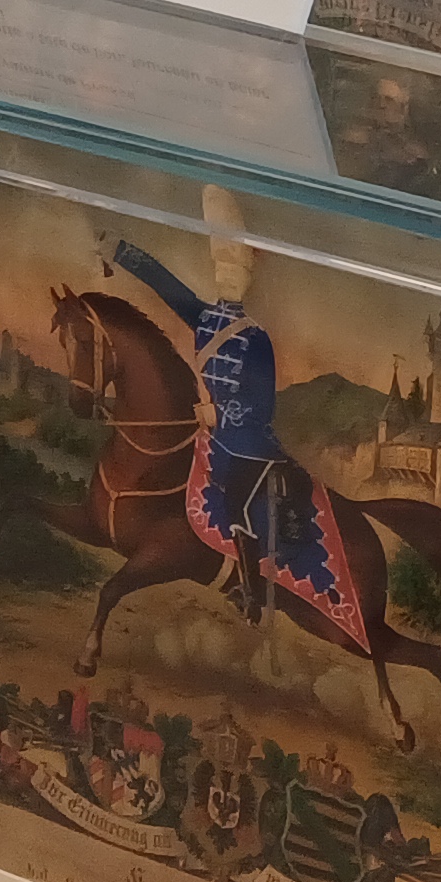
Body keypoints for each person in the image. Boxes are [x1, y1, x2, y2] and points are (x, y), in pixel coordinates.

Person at [108, 218, 305, 629]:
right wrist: (119, 251)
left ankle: (250, 594)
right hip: (216, 438)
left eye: (237, 273)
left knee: (237, 503)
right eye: (224, 270)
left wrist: (219, 413)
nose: (229, 278)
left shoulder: (257, 339)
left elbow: (263, 405)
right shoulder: (205, 318)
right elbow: (164, 284)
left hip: (249, 442)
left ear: (246, 281)